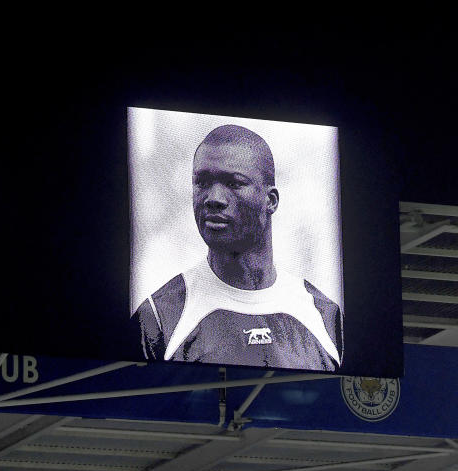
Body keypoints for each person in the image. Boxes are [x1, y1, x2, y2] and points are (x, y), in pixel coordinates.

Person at [134, 124, 343, 371]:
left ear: (271, 200)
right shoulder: (159, 318)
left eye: (234, 183)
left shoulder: (323, 316)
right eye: (202, 182)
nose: (213, 198)